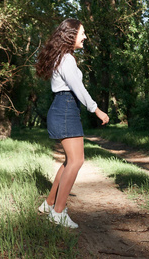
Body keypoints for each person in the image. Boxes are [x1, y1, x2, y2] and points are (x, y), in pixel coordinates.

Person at [35, 18, 110, 228]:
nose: (85, 36)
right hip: (66, 107)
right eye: (82, 33)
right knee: (76, 161)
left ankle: (49, 204)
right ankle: (58, 212)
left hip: (64, 107)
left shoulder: (63, 57)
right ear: (71, 35)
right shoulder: (67, 59)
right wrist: (96, 109)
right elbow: (78, 88)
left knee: (70, 161)